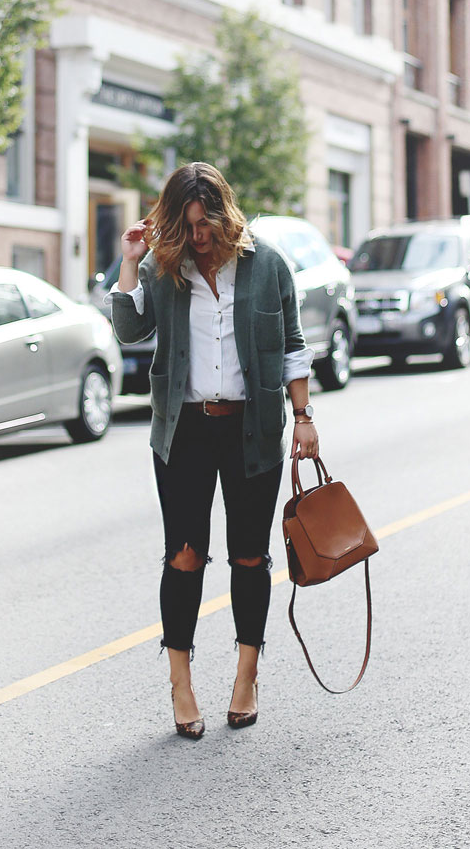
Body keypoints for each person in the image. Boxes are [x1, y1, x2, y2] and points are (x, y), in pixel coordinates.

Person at [108, 161, 318, 740]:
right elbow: (128, 330)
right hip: (185, 432)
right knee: (185, 556)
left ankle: (246, 676)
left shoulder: (267, 265)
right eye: (187, 224)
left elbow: (293, 345)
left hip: (252, 428)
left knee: (250, 557)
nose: (198, 235)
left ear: (224, 214)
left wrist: (303, 418)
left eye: (205, 223)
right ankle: (182, 683)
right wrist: (130, 261)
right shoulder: (164, 266)